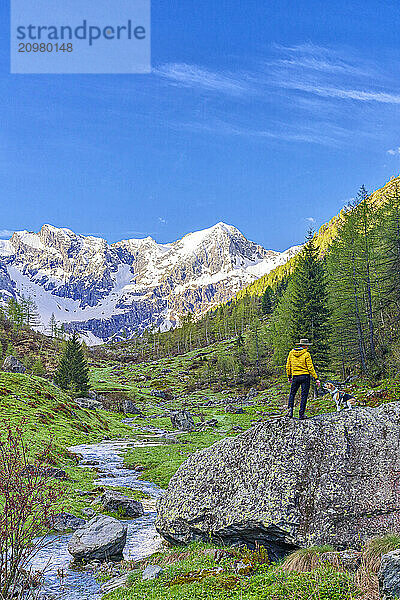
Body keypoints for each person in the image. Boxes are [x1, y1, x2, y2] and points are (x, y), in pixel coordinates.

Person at [286, 338, 320, 420]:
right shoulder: (306, 354)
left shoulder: (291, 353)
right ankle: (301, 414)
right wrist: (316, 378)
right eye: (307, 346)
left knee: (292, 394)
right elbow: (310, 367)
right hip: (305, 376)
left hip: (295, 377)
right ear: (305, 346)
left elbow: (288, 366)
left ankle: (290, 411)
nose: (308, 347)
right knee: (304, 395)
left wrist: (289, 376)